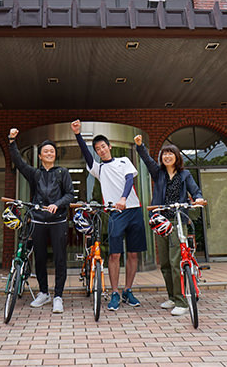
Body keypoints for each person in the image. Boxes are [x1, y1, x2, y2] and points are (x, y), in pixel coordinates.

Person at [70, 119, 146, 311]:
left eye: (103, 146)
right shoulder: (98, 169)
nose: (101, 150)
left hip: (133, 210)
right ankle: (114, 293)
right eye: (98, 149)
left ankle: (128, 290)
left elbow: (129, 180)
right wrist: (78, 134)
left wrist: (123, 198)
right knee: (114, 254)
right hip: (114, 213)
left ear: (109, 146)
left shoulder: (124, 161)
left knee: (133, 253)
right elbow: (86, 155)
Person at [134, 134, 205, 316]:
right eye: (164, 154)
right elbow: (147, 160)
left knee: (176, 262)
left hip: (178, 220)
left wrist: (197, 199)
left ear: (176, 157)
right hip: (161, 221)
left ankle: (182, 301)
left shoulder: (185, 174)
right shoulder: (159, 174)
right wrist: (140, 146)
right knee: (165, 262)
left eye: (170, 154)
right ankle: (172, 297)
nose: (167, 157)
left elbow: (195, 191)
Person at [8, 128, 73, 314]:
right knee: (41, 258)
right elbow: (19, 163)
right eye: (46, 151)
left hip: (58, 220)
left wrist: (57, 204)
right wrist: (12, 141)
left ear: (55, 155)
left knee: (60, 258)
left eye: (52, 151)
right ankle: (44, 293)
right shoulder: (35, 174)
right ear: (40, 156)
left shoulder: (62, 172)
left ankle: (58, 296)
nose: (49, 153)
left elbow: (70, 194)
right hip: (38, 221)